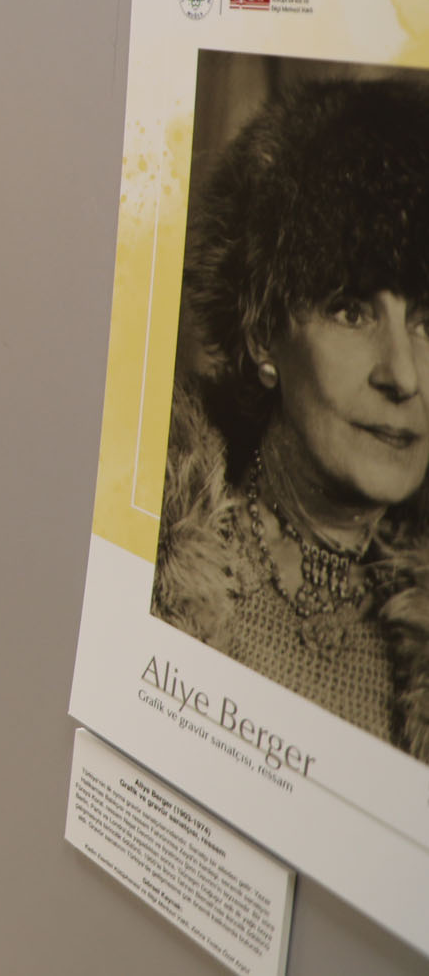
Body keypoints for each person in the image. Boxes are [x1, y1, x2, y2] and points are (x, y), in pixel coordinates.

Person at [154, 77, 429, 759]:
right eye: (350, 310)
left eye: (426, 320)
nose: (403, 373)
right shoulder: (160, 567)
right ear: (261, 337)